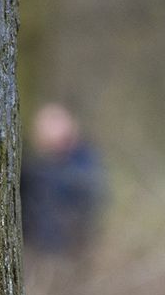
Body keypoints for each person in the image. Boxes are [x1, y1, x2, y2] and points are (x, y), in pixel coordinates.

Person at [21, 102, 108, 256]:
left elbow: (88, 192)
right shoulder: (34, 164)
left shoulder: (84, 161)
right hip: (37, 250)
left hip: (69, 252)